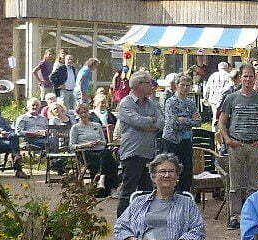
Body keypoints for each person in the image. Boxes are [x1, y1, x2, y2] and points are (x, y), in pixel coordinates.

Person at [219, 66, 258, 229]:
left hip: (255, 145)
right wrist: (228, 140)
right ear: (240, 78)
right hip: (236, 144)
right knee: (235, 183)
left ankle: (250, 214)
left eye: (251, 76)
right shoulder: (231, 98)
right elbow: (222, 121)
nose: (248, 79)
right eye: (245, 76)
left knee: (253, 183)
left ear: (255, 78)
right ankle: (235, 216)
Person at [114, 71, 164, 216]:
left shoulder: (153, 104)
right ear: (139, 85)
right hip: (132, 153)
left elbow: (161, 122)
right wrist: (150, 121)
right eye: (149, 83)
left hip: (149, 153)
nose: (152, 86)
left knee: (147, 191)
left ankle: (143, 221)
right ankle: (122, 223)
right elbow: (137, 121)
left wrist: (147, 123)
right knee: (128, 190)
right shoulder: (126, 103)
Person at [161, 74, 199, 193]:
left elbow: (198, 121)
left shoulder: (191, 103)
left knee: (186, 171)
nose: (185, 88)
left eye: (188, 85)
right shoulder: (171, 102)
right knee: (171, 168)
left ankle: (184, 195)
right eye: (182, 85)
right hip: (172, 140)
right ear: (176, 86)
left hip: (186, 140)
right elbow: (173, 124)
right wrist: (189, 120)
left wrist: (183, 119)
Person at [71, 103, 119, 195]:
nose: (84, 114)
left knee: (106, 153)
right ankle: (113, 188)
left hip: (100, 151)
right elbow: (72, 146)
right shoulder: (75, 128)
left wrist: (99, 142)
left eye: (85, 112)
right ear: (78, 114)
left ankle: (101, 180)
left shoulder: (97, 125)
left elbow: (104, 142)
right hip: (86, 153)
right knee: (110, 160)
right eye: (81, 113)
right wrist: (86, 145)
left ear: (89, 113)